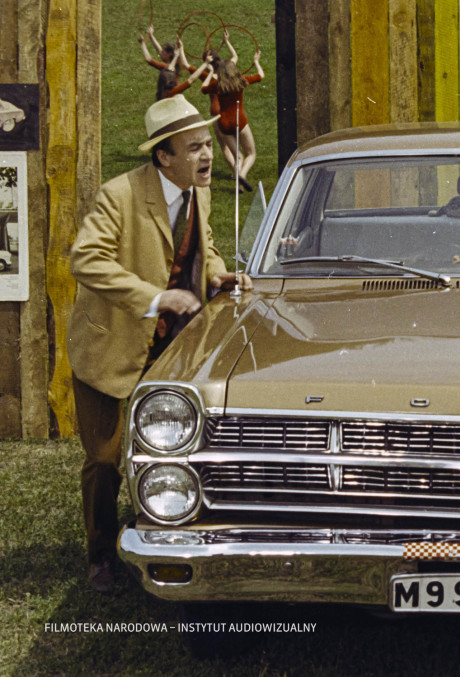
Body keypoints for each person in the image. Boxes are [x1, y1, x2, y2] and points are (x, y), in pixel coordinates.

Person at [67, 94, 253, 592]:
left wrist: (218, 275)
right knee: (104, 459)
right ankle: (101, 557)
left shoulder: (199, 192)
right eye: (194, 148)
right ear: (164, 156)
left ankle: (168, 535)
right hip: (110, 347)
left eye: (207, 144)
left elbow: (204, 246)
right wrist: (154, 298)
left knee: (175, 450)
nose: (207, 155)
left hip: (173, 351)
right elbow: (85, 259)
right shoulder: (119, 195)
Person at [200, 30, 264, 192]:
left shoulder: (217, 85)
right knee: (251, 154)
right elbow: (260, 76)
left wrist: (209, 72)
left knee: (238, 156)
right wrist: (256, 61)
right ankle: (242, 175)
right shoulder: (241, 81)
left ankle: (239, 186)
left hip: (224, 123)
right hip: (239, 120)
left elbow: (203, 88)